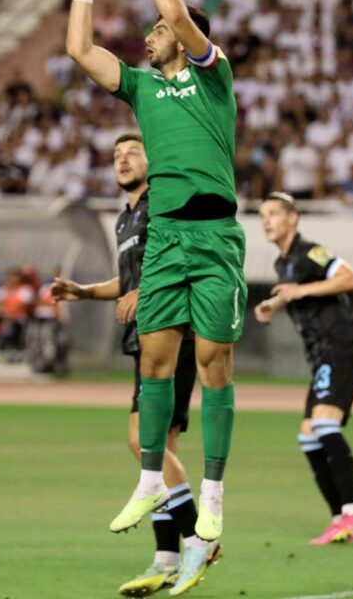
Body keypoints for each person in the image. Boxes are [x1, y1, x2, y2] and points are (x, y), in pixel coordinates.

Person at [66, 0, 243, 593]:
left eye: (157, 29)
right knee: (156, 362)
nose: (149, 33)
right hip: (167, 234)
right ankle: (149, 480)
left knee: (215, 362)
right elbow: (81, 51)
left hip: (216, 234)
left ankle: (215, 507)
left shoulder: (211, 76)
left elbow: (179, 17)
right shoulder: (141, 87)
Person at [52, 134, 213, 595]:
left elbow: (184, 260)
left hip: (172, 331)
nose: (122, 160)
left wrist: (146, 291)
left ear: (152, 160)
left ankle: (200, 538)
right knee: (163, 452)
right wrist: (86, 291)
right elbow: (128, 280)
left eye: (132, 152)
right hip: (146, 338)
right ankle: (166, 558)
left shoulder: (163, 203)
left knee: (140, 441)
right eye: (116, 155)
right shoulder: (126, 218)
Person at [253, 192, 353, 546]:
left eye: (273, 213)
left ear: (294, 218)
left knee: (323, 424)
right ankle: (340, 518)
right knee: (308, 435)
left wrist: (300, 291)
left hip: (341, 346)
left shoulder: (310, 251)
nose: (266, 221)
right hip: (322, 355)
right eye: (262, 216)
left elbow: (351, 278)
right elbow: (293, 292)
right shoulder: (282, 264)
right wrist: (273, 305)